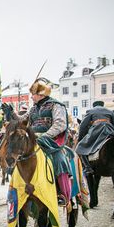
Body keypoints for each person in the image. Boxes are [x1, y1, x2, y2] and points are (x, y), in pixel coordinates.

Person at [21, 77, 73, 205]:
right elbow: (22, 121)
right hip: (33, 141)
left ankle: (61, 193)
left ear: (40, 94)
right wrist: (10, 113)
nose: (31, 97)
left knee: (59, 160)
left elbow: (60, 124)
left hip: (51, 142)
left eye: (33, 94)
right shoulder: (33, 109)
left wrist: (45, 135)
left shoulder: (56, 105)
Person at [75, 100, 114, 174]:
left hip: (97, 130)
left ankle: (87, 168)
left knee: (80, 147)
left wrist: (80, 138)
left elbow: (83, 126)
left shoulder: (91, 111)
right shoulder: (109, 111)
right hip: (110, 130)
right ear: (102, 105)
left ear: (94, 105)